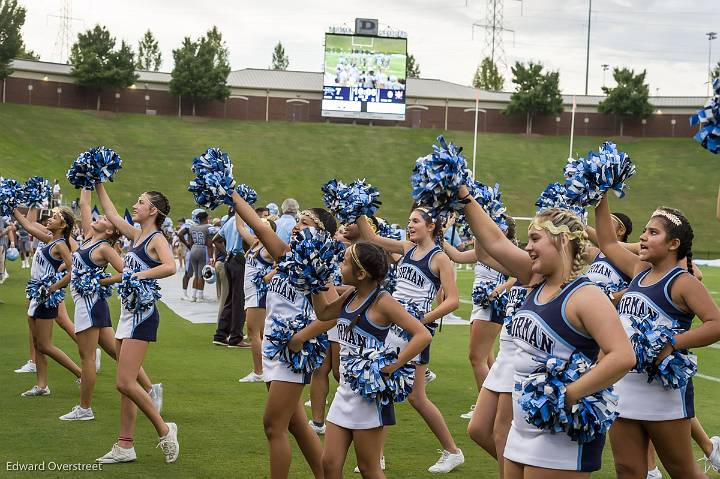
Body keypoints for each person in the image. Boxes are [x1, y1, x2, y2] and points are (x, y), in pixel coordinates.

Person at [459, 184, 636, 477]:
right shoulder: (533, 278)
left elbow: (623, 356)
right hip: (522, 425)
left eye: (534, 239)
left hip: (560, 431)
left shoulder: (586, 295)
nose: (527, 247)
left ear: (563, 241)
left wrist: (568, 394)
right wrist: (464, 198)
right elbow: (494, 241)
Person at [595, 196, 720, 478]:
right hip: (624, 384)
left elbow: (715, 323)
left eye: (653, 232)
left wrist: (673, 343)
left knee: (681, 470)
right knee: (627, 469)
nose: (642, 237)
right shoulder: (639, 272)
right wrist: (600, 196)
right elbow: (609, 243)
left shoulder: (682, 282)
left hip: (662, 392)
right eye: (644, 231)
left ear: (673, 244)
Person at [231, 188, 337, 479]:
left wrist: (301, 337)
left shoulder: (321, 270)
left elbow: (330, 316)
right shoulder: (285, 255)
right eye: (299, 220)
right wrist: (231, 193)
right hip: (275, 348)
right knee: (295, 425)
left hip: (294, 353)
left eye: (306, 222)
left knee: (272, 425)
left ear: (322, 235)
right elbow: (257, 225)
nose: (298, 225)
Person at [310, 241, 432, 479]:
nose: (340, 266)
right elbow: (323, 314)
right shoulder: (350, 296)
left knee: (369, 469)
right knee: (329, 464)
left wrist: (395, 364)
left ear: (361, 273)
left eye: (345, 262)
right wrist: (314, 284)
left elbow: (422, 334)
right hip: (344, 391)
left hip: (369, 397)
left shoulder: (382, 301)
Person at [357, 207, 465, 474]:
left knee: (414, 396)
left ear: (431, 226)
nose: (410, 225)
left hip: (414, 332)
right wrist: (358, 211)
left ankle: (452, 452)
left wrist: (421, 318)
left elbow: (452, 300)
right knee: (386, 388)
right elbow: (371, 238)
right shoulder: (406, 247)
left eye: (416, 221)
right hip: (392, 328)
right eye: (408, 221)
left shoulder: (439, 258)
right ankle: (378, 456)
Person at [94, 183, 179, 464]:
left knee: (125, 382)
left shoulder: (156, 238)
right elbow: (112, 214)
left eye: (140, 202)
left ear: (152, 210)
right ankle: (125, 445)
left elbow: (170, 266)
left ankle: (166, 430)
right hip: (127, 315)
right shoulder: (136, 235)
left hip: (142, 317)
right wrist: (98, 181)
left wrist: (140, 277)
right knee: (125, 387)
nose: (135, 205)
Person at [60, 188, 161, 421]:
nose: (100, 218)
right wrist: (89, 180)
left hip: (91, 304)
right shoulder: (87, 237)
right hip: (86, 304)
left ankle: (85, 408)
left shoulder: (103, 247)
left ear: (110, 231)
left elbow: (126, 272)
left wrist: (100, 280)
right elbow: (85, 205)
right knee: (117, 353)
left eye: (104, 219)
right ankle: (149, 388)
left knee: (87, 357)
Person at [13, 206, 82, 397]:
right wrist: (11, 206)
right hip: (36, 294)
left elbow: (74, 271)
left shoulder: (61, 245)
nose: (49, 219)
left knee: (44, 345)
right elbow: (27, 225)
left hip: (45, 298)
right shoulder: (50, 240)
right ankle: (42, 385)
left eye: (55, 217)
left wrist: (54, 287)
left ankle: (81, 373)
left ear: (63, 225)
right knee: (37, 343)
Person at [237, 216, 276, 383]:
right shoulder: (255, 242)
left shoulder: (268, 247)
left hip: (258, 293)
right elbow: (240, 227)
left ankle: (259, 371)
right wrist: (236, 205)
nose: (259, 226)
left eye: (264, 225)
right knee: (259, 333)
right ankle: (265, 369)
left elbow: (285, 262)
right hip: (251, 293)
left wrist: (266, 278)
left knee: (254, 332)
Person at [212, 209, 248, 348]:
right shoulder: (246, 221)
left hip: (229, 259)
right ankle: (235, 337)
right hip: (239, 259)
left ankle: (221, 334)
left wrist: (226, 251)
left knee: (230, 298)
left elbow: (216, 239)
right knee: (239, 299)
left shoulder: (230, 221)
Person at [186, 210, 214, 302]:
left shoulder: (192, 227)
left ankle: (193, 295)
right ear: (205, 218)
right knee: (201, 275)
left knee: (196, 275)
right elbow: (209, 244)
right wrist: (211, 257)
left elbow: (190, 242)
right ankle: (199, 296)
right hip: (203, 249)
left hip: (193, 249)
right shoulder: (208, 227)